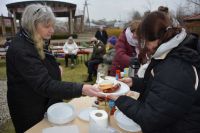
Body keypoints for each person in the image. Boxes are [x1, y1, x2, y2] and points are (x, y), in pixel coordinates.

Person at [6, 4, 103, 133]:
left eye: (52, 25)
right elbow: (44, 84)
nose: (52, 30)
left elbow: (44, 59)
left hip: (44, 101)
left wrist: (56, 67)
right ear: (31, 25)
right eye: (47, 26)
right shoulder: (21, 50)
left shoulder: (33, 38)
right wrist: (82, 88)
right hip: (29, 107)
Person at [108, 11, 200, 133]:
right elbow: (161, 87)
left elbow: (150, 119)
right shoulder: (172, 52)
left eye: (145, 41)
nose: (146, 46)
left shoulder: (176, 66)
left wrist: (120, 100)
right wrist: (134, 82)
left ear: (155, 38)